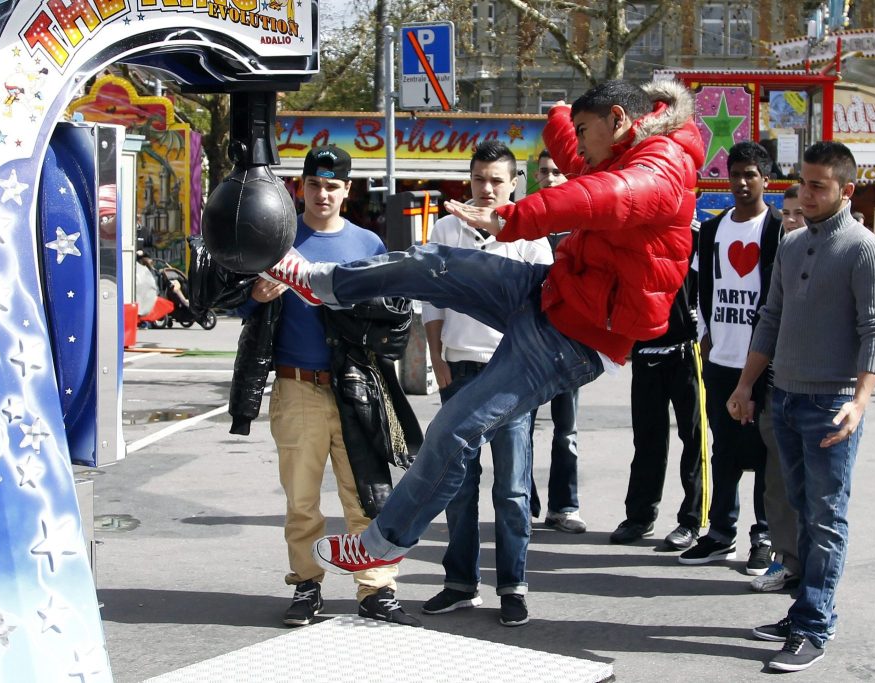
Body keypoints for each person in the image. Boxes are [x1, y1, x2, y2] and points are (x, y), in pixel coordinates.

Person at [258, 80, 704, 581]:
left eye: (584, 131)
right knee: (437, 263)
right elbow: (578, 161)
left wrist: (509, 218)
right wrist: (559, 114)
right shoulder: (622, 148)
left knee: (454, 426)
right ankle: (323, 283)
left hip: (574, 340)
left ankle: (384, 542)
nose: (577, 145)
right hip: (550, 292)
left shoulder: (656, 173)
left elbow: (597, 195)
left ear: (619, 120)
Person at [232, 145, 422, 628]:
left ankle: (376, 589)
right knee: (301, 499)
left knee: (366, 493)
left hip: (356, 386)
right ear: (301, 187)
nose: (322, 194)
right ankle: (306, 585)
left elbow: (393, 321)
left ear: (347, 190)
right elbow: (234, 302)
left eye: (332, 186)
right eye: (314, 185)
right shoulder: (277, 238)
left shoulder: (368, 245)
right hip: (297, 385)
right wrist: (255, 294)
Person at [728, 141, 875, 672]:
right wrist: (746, 385)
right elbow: (770, 319)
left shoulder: (867, 250)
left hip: (832, 403)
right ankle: (802, 608)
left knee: (825, 517)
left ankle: (814, 624)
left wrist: (860, 402)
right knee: (799, 509)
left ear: (847, 191)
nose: (808, 193)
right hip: (785, 396)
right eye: (804, 182)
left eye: (820, 185)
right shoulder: (793, 245)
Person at [420, 141, 552, 627]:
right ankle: (459, 582)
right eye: (480, 178)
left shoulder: (529, 236)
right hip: (460, 368)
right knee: (458, 483)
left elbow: (543, 310)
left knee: (513, 488)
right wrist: (437, 358)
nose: (488, 188)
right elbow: (432, 300)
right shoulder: (446, 229)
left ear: (515, 183)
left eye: (497, 180)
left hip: (512, 372)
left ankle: (513, 585)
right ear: (469, 179)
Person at [680, 141, 781, 575]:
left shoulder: (777, 230)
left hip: (765, 362)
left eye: (751, 175)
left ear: (765, 179)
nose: (741, 182)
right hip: (720, 358)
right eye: (735, 173)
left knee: (764, 453)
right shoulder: (714, 230)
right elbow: (703, 291)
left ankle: (765, 536)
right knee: (722, 449)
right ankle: (720, 533)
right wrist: (705, 333)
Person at [610, 222, 704, 549]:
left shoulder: (695, 234)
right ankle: (640, 515)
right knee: (647, 438)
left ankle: (692, 520)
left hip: (687, 352)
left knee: (694, 439)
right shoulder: (631, 234)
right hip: (646, 349)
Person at [751, 183, 805, 593]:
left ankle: (815, 574)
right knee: (777, 483)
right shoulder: (779, 258)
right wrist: (746, 385)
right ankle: (786, 560)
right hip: (776, 389)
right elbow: (766, 324)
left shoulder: (853, 252)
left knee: (818, 493)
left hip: (823, 397)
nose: (789, 221)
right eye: (785, 213)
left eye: (797, 213)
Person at [529, 149, 587, 535]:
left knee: (566, 430)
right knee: (521, 428)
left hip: (570, 343)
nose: (550, 178)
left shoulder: (583, 226)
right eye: (544, 172)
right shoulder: (527, 222)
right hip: (529, 344)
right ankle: (522, 501)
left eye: (557, 172)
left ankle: (564, 506)